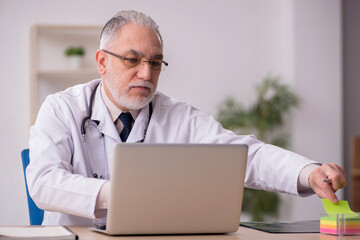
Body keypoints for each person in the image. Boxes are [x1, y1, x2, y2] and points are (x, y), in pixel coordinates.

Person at [27, 10, 346, 226]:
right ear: (102, 61)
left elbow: (242, 155)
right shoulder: (61, 109)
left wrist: (308, 172)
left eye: (155, 63)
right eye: (133, 60)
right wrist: (124, 194)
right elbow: (42, 183)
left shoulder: (176, 116)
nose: (145, 73)